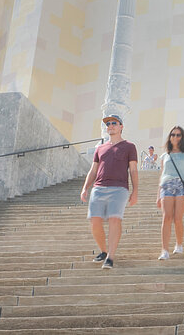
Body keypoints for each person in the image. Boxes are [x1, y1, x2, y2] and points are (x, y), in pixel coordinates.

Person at [79, 115, 138, 269]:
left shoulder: (129, 146)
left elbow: (133, 170)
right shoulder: (100, 148)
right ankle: (104, 251)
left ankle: (110, 257)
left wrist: (135, 191)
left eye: (114, 123)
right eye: (108, 124)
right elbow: (93, 170)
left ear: (121, 127)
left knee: (114, 219)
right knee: (94, 220)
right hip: (98, 188)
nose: (110, 126)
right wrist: (85, 188)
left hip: (119, 188)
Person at [156, 125, 184, 260]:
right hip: (166, 185)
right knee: (166, 217)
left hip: (182, 185)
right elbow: (162, 174)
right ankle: (164, 250)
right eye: (173, 135)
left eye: (178, 135)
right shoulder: (165, 155)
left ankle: (179, 244)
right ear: (170, 137)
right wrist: (158, 195)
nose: (175, 137)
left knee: (177, 218)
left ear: (182, 137)